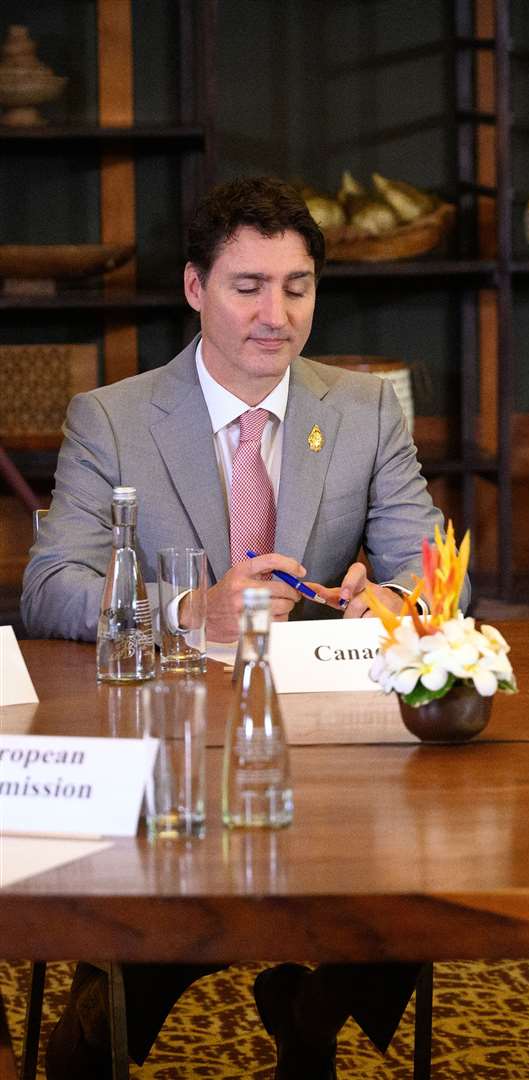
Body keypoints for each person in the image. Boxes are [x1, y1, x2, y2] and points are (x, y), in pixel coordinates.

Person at [27, 176, 451, 1079]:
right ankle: (115, 1006)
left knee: (430, 848)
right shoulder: (113, 417)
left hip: (327, 727)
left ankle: (320, 1011)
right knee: (171, 891)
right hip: (172, 732)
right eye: (247, 287)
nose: (276, 314)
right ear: (195, 289)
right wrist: (189, 611)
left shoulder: (366, 409)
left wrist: (401, 604)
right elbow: (52, 583)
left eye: (296, 287)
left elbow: (425, 566)